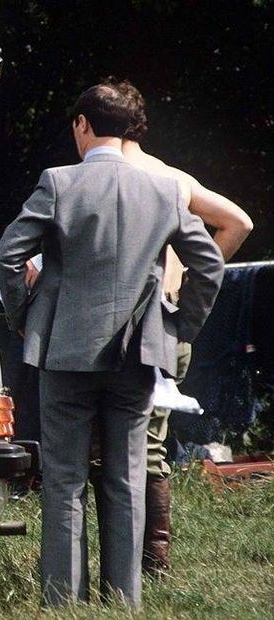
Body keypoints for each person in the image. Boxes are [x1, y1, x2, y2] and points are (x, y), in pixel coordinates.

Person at [0, 84, 223, 607]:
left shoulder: (58, 182)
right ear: (129, 129)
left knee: (65, 480)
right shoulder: (164, 191)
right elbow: (208, 265)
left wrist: (24, 317)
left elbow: (8, 256)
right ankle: (125, 600)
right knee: (126, 477)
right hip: (137, 355)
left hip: (64, 353)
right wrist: (178, 327)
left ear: (81, 125)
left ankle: (63, 602)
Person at [105, 78, 254, 576]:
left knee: (109, 447)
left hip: (116, 329)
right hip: (169, 327)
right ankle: (154, 559)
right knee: (151, 446)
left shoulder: (104, 174)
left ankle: (129, 561)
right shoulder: (172, 176)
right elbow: (238, 223)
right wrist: (188, 282)